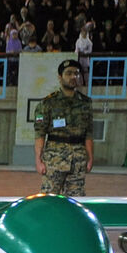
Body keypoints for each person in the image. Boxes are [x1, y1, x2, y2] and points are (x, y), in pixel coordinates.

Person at [33, 59, 93, 196]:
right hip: (54, 160)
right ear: (60, 77)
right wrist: (38, 160)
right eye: (69, 73)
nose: (73, 77)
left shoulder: (86, 103)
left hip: (78, 160)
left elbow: (89, 133)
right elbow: (40, 133)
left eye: (77, 74)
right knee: (48, 201)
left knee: (75, 202)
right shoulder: (48, 103)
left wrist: (90, 158)